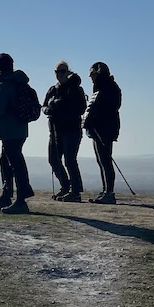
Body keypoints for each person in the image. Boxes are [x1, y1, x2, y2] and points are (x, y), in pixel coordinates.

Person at [0, 52, 35, 214]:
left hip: (10, 131)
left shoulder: (5, 86)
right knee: (9, 161)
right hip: (20, 130)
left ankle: (20, 199)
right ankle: (8, 195)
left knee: (13, 163)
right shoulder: (18, 83)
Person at [42, 60, 87, 202]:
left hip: (71, 130)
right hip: (56, 131)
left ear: (68, 72)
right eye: (57, 71)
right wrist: (48, 109)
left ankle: (75, 192)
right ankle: (66, 187)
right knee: (53, 160)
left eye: (62, 71)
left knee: (70, 161)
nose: (59, 74)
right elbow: (43, 106)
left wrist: (61, 107)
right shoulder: (52, 90)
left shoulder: (75, 88)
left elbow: (81, 108)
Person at [83, 61, 122, 204]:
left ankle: (109, 192)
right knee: (101, 161)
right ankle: (106, 190)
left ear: (97, 73)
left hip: (105, 128)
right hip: (98, 128)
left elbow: (111, 108)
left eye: (91, 74)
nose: (90, 77)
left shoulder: (109, 87)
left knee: (105, 160)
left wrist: (95, 117)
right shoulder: (104, 87)